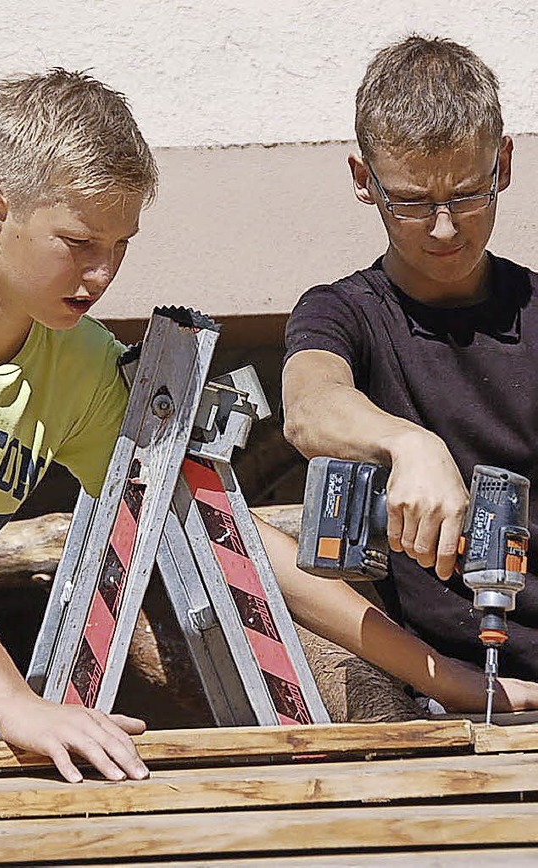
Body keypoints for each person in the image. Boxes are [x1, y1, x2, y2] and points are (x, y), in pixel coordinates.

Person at [0, 68, 157, 783]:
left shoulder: (81, 361)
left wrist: (441, 676)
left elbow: (199, 525)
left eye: (121, 244)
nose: (103, 272)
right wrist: (17, 701)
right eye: (78, 242)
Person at [278, 35, 538, 712]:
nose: (446, 228)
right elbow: (310, 405)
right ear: (364, 181)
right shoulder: (342, 314)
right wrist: (410, 445)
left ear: (503, 164)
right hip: (426, 691)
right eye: (413, 202)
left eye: (468, 195)